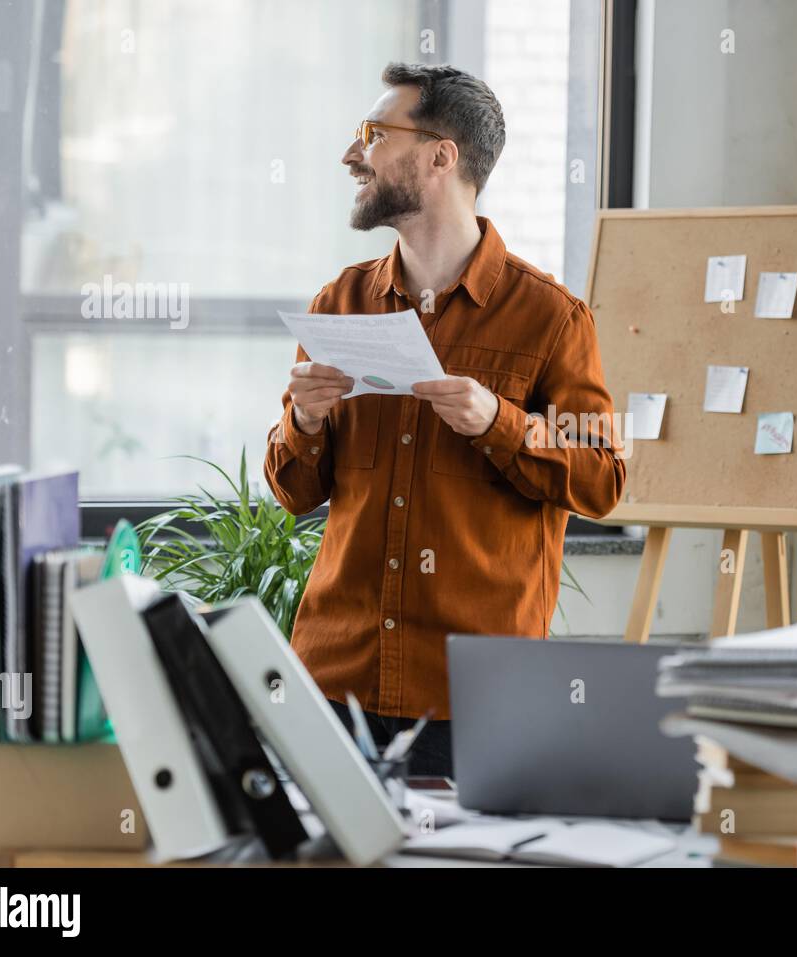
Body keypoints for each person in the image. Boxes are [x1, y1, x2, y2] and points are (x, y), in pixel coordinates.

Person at [264, 62, 625, 778]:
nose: (350, 154)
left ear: (440, 155)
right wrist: (303, 421)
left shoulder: (551, 318)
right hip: (336, 679)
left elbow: (605, 477)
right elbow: (295, 492)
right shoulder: (340, 302)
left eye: (372, 134)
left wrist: (501, 421)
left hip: (476, 695)